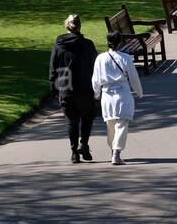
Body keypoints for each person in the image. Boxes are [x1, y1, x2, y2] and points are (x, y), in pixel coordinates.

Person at [49, 15, 99, 164]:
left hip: (66, 87)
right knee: (87, 117)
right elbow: (95, 67)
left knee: (71, 121)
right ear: (79, 26)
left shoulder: (59, 45)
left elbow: (53, 68)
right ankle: (84, 143)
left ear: (67, 26)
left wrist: (54, 89)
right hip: (85, 87)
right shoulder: (88, 45)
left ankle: (74, 152)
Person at [92, 30, 144, 165]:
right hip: (123, 94)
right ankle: (116, 152)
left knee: (110, 125)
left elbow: (95, 79)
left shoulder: (100, 58)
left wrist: (96, 94)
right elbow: (133, 77)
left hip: (107, 95)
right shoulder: (125, 58)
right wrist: (139, 92)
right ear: (120, 42)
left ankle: (113, 150)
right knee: (122, 124)